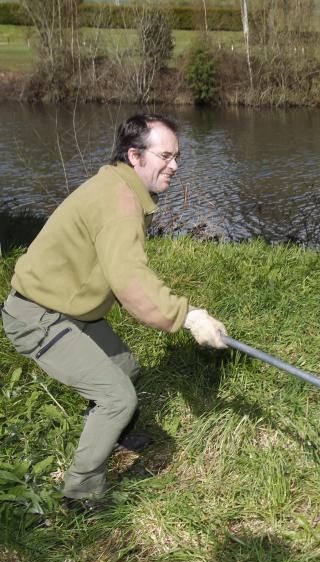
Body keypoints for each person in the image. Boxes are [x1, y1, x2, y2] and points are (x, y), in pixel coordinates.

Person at [1, 113, 228, 515]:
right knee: (117, 398)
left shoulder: (117, 186)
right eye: (166, 155)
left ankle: (113, 433)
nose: (175, 165)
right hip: (37, 315)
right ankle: (81, 494)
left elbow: (119, 269)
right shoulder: (119, 203)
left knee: (125, 367)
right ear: (134, 155)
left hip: (71, 308)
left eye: (177, 156)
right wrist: (188, 317)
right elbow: (130, 282)